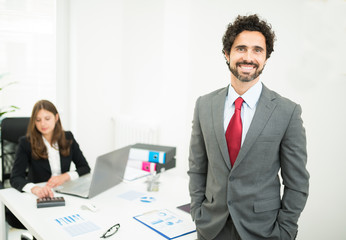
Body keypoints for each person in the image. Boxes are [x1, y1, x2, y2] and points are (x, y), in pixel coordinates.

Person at [188, 14, 309, 240]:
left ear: (266, 57)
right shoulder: (204, 105)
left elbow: (297, 183)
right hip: (211, 229)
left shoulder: (287, 112)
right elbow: (197, 167)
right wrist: (197, 212)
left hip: (263, 231)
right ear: (227, 53)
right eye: (241, 48)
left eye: (257, 50)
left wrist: (285, 231)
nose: (248, 57)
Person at [9, 99, 91, 229]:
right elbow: (15, 177)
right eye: (38, 120)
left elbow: (85, 167)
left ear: (56, 117)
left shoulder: (68, 137)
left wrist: (65, 176)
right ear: (33, 122)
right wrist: (35, 189)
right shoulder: (26, 142)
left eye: (47, 118)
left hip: (65, 193)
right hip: (41, 196)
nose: (43, 124)